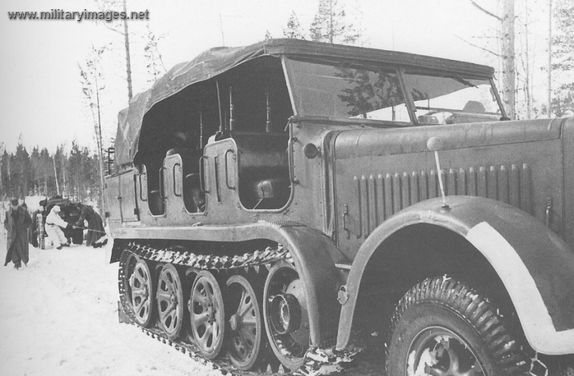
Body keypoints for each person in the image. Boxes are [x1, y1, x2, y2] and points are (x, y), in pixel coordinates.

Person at [4, 199, 32, 269]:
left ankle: (25, 261)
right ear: (11, 205)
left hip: (21, 233)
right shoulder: (8, 213)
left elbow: (29, 221)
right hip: (12, 234)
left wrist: (23, 227)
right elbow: (5, 222)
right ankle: (17, 263)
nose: (15, 207)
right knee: (13, 248)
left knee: (22, 248)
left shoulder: (24, 211)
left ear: (18, 205)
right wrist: (9, 228)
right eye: (13, 206)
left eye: (16, 206)